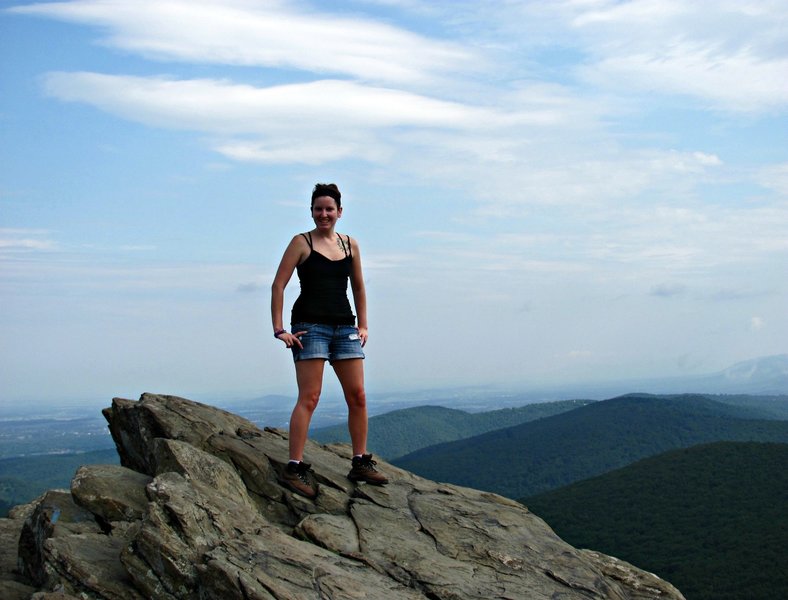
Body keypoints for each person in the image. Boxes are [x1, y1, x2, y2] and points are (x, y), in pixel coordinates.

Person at [271, 183, 388, 498]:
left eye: (329, 209)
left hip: (344, 327)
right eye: (318, 209)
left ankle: (360, 461)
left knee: (359, 396)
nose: (324, 214)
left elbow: (359, 287)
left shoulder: (350, 244)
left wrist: (363, 325)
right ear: (311, 211)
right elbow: (278, 286)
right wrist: (279, 329)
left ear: (339, 211)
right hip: (310, 327)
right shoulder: (301, 242)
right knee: (309, 397)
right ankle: (294, 467)